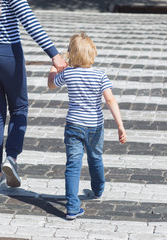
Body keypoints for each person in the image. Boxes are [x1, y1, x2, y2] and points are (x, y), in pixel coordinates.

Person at [0, 0, 67, 190]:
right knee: (19, 108)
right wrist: (54, 54)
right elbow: (29, 21)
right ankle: (11, 158)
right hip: (7, 54)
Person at [47, 31, 127, 220]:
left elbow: (51, 85)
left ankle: (72, 207)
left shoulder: (68, 74)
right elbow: (110, 100)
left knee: (73, 165)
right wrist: (120, 125)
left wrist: (53, 69)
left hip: (74, 125)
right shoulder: (100, 75)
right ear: (92, 54)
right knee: (95, 158)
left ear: (71, 55)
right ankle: (98, 189)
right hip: (95, 127)